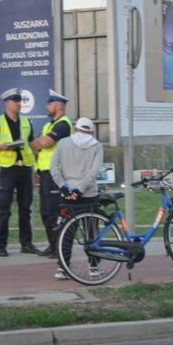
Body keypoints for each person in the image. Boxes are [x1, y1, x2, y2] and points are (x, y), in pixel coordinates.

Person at [0, 88, 40, 257]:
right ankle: (1, 245)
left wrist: (36, 168)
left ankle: (26, 243)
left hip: (24, 168)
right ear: (6, 103)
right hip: (7, 169)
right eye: (15, 101)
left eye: (20, 101)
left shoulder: (26, 121)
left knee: (25, 208)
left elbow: (32, 145)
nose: (18, 104)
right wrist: (3, 146)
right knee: (4, 208)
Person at [50, 117, 104, 280]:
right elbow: (94, 171)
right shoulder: (97, 145)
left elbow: (53, 167)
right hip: (89, 195)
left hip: (68, 196)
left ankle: (63, 267)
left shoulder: (63, 143)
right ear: (92, 132)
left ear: (75, 129)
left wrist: (64, 187)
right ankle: (93, 267)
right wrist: (80, 190)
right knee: (91, 232)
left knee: (66, 232)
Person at [31, 89, 74, 258]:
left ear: (59, 105)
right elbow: (37, 145)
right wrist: (38, 143)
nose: (46, 106)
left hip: (56, 174)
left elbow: (45, 142)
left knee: (56, 212)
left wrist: (39, 142)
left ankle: (60, 248)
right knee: (45, 211)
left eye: (50, 103)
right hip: (44, 173)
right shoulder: (49, 125)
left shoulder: (63, 124)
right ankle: (52, 244)